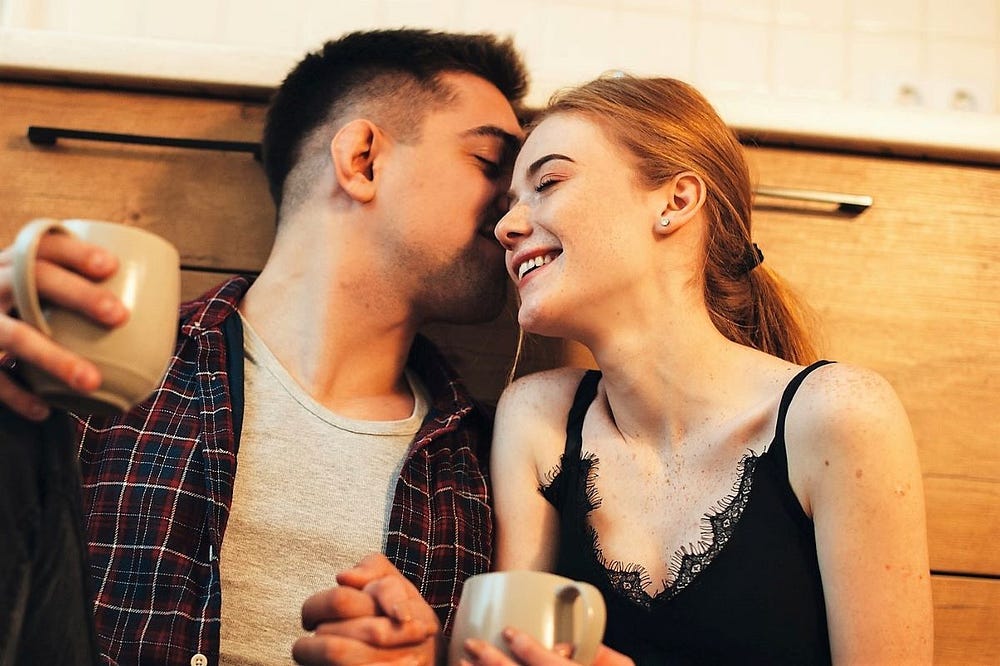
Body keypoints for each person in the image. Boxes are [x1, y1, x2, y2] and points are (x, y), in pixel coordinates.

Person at [308, 74, 935, 666]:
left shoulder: (841, 415)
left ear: (676, 200)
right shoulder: (539, 419)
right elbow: (505, 648)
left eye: (548, 183)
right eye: (508, 201)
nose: (506, 225)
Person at [0, 28, 526, 665]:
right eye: (492, 164)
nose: (517, 206)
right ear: (363, 159)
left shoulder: (493, 464)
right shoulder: (84, 369)